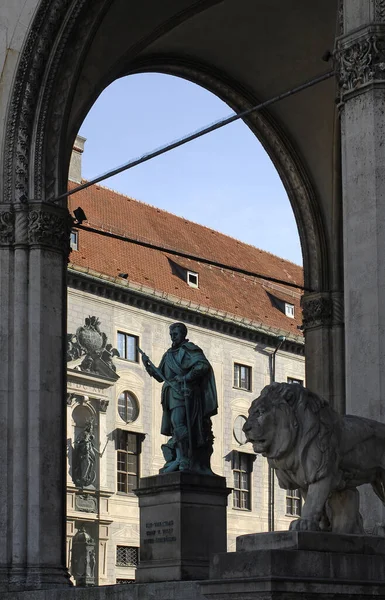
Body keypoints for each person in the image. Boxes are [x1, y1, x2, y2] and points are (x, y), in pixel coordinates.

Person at [141, 322, 218, 474]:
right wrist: (148, 366)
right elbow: (160, 376)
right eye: (171, 335)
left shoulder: (190, 350)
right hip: (170, 395)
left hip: (184, 393)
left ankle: (184, 459)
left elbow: (203, 366)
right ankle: (180, 456)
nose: (173, 337)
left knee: (178, 422)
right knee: (176, 426)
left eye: (175, 334)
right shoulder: (169, 354)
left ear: (183, 334)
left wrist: (186, 377)